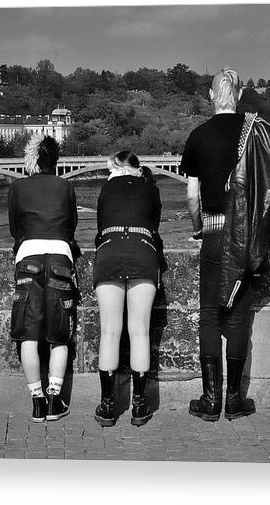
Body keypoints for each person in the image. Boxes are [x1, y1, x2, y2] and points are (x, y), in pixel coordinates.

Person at [181, 67, 270, 422]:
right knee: (238, 319)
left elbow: (192, 196)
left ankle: (210, 401)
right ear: (239, 95)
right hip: (244, 240)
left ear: (211, 96)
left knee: (209, 315)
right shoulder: (255, 133)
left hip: (212, 233)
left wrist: (199, 229)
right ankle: (235, 401)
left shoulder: (197, 137)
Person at [8, 135, 80, 423]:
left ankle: (37, 401)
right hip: (61, 256)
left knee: (28, 333)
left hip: (28, 257)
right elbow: (71, 225)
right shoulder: (66, 186)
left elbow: (15, 229)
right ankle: (54, 400)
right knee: (60, 335)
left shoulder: (17, 187)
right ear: (55, 160)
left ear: (32, 158)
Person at [92, 151, 163, 427]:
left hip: (109, 251)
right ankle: (139, 405)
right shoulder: (152, 190)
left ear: (119, 168)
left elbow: (100, 226)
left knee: (110, 330)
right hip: (143, 252)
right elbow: (154, 228)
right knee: (140, 331)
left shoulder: (107, 188)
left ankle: (108, 405)